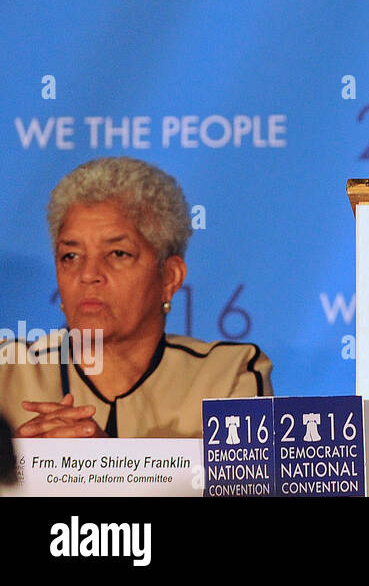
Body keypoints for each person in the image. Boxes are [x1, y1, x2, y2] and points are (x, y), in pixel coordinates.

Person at [0, 157, 271, 438]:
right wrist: (16, 469)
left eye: (118, 254)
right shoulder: (7, 372)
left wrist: (105, 468)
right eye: (71, 256)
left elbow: (246, 483)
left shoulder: (228, 376)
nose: (88, 274)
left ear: (170, 276)